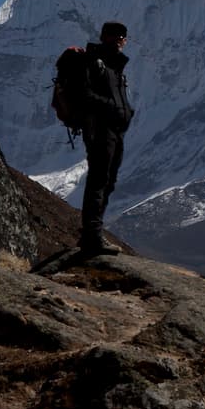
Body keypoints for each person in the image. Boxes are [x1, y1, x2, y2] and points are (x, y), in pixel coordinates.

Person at [79, 21, 135, 254]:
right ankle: (92, 236)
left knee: (108, 181)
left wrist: (125, 112)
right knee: (99, 180)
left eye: (123, 37)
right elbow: (83, 94)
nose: (122, 41)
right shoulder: (95, 62)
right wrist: (112, 107)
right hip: (100, 128)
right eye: (120, 37)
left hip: (116, 130)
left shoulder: (115, 66)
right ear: (111, 37)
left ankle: (92, 235)